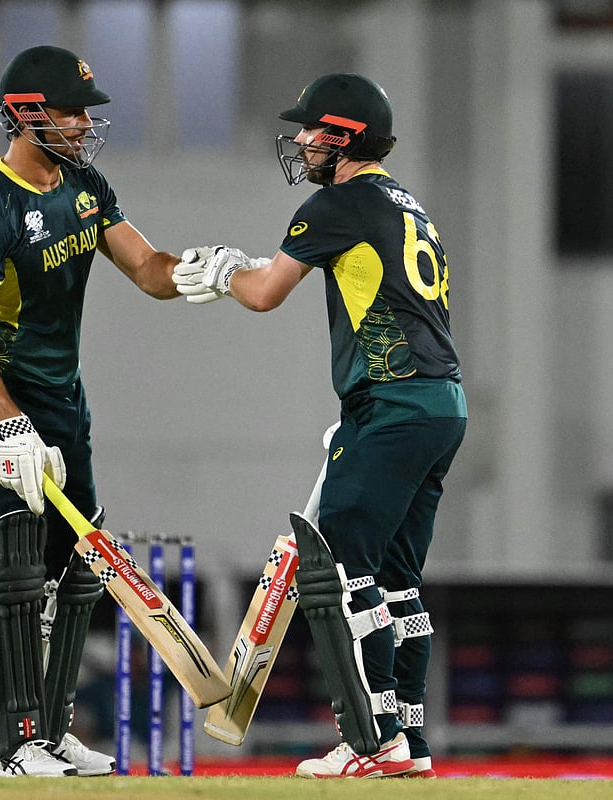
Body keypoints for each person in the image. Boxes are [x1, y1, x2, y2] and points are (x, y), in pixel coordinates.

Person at [175, 73, 467, 778]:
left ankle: (373, 742)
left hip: (394, 406)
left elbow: (267, 292)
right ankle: (410, 743)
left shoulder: (338, 203)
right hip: (439, 403)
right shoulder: (408, 205)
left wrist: (221, 272)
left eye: (313, 130)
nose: (302, 142)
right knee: (399, 583)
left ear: (345, 136)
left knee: (337, 567)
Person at [0, 45, 193, 778]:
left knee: (75, 571)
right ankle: (9, 749)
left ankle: (50, 732)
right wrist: (10, 426)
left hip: (65, 404)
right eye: (72, 110)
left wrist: (205, 270)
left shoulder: (83, 183)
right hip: (3, 408)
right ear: (27, 114)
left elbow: (148, 269)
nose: (86, 124)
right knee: (10, 578)